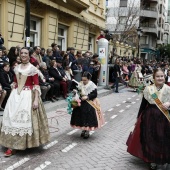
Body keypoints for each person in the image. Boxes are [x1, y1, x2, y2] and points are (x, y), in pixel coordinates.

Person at [0, 47, 50, 157]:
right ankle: (11, 145)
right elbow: (14, 82)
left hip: (28, 95)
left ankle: (24, 143)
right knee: (12, 119)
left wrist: (36, 99)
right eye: (21, 53)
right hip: (16, 95)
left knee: (23, 120)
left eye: (25, 53)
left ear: (29, 55)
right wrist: (12, 95)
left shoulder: (32, 69)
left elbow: (36, 85)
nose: (23, 55)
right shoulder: (16, 68)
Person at [127, 68, 170, 170]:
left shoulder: (168, 89)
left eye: (162, 76)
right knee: (150, 138)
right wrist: (138, 118)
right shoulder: (148, 89)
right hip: (149, 117)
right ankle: (152, 160)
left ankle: (162, 158)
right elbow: (143, 105)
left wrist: (169, 104)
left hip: (164, 119)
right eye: (158, 76)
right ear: (153, 78)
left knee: (162, 139)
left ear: (164, 77)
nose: (160, 78)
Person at [70, 72, 105, 139]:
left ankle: (87, 131)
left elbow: (95, 94)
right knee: (80, 115)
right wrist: (75, 92)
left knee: (88, 114)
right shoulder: (80, 83)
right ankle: (83, 129)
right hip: (81, 101)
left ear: (89, 79)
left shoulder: (92, 85)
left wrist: (87, 97)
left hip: (90, 101)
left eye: (85, 80)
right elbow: (78, 91)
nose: (84, 81)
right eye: (83, 80)